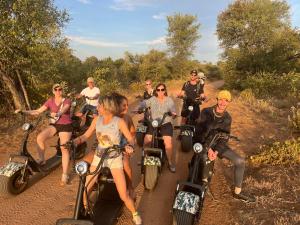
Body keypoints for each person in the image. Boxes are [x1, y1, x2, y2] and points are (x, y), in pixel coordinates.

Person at [73, 95, 142, 225]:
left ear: (106, 107)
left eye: (99, 105)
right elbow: (86, 135)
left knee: (123, 194)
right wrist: (75, 141)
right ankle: (86, 211)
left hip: (114, 158)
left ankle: (135, 214)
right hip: (99, 157)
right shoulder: (96, 120)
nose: (97, 108)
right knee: (86, 187)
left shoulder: (119, 122)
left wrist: (130, 146)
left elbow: (131, 139)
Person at [194, 90, 255, 203]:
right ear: (217, 99)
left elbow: (224, 137)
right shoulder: (206, 112)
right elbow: (198, 133)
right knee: (202, 164)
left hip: (217, 146)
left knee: (240, 161)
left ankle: (237, 192)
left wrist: (216, 151)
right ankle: (199, 184)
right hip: (203, 143)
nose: (223, 102)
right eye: (221, 99)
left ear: (229, 102)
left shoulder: (227, 118)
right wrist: (208, 149)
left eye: (226, 100)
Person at [19, 83, 73, 186]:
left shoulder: (66, 100)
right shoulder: (50, 101)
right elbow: (38, 111)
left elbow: (64, 109)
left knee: (64, 148)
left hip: (66, 126)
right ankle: (42, 160)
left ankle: (65, 174)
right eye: (56, 89)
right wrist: (23, 111)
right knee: (40, 138)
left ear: (62, 90)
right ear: (53, 91)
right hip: (55, 125)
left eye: (60, 89)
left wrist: (58, 113)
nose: (58, 91)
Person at [140, 83, 177, 172]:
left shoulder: (169, 100)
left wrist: (173, 114)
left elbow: (173, 111)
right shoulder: (152, 99)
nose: (160, 92)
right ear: (156, 91)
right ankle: (144, 158)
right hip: (154, 123)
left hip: (165, 123)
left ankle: (170, 162)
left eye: (162, 90)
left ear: (165, 90)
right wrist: (140, 107)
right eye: (158, 90)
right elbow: (144, 103)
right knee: (146, 140)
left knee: (168, 143)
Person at [112, 92, 136, 199]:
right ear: (117, 106)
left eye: (127, 105)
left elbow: (132, 132)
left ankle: (130, 187)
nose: (127, 107)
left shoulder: (127, 118)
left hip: (122, 147)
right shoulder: (110, 117)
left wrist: (129, 144)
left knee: (126, 164)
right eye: (124, 105)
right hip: (108, 148)